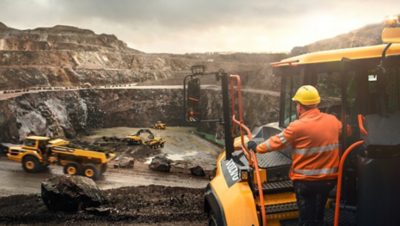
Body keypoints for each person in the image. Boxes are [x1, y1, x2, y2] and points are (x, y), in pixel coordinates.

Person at [247, 85, 342, 226]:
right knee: (319, 212)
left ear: (299, 107)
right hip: (328, 181)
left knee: (306, 217)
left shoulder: (297, 126)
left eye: (296, 104)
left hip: (305, 182)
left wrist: (256, 147)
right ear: (316, 103)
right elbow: (344, 129)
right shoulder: (333, 121)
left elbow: (276, 142)